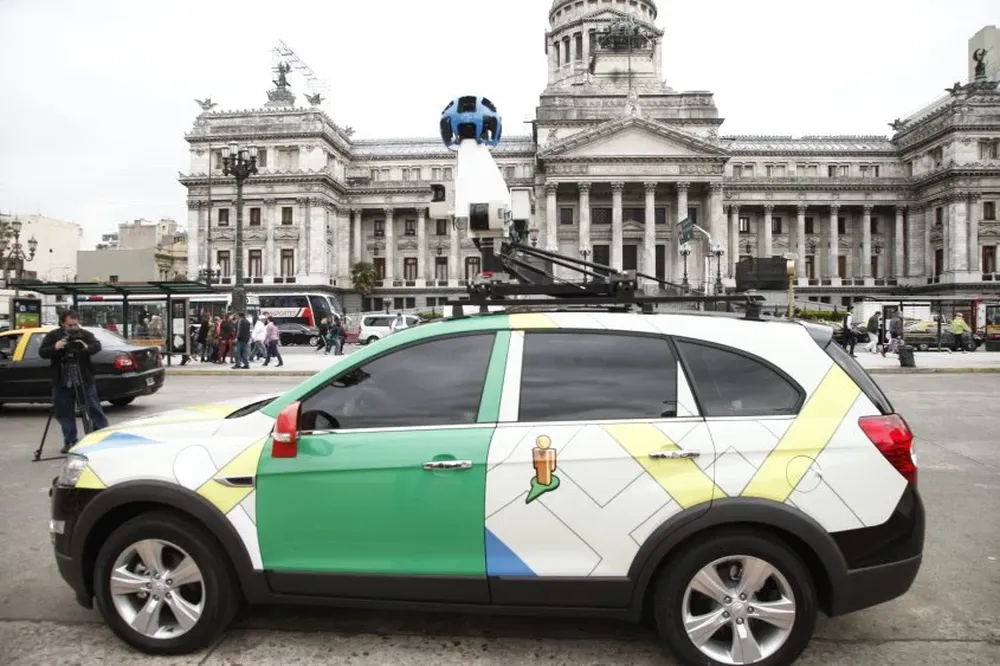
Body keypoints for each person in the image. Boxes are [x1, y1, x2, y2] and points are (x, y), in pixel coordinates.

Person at [38, 310, 110, 454]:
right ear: (62, 323)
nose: (73, 328)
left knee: (95, 410)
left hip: (84, 380)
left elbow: (97, 346)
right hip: (62, 382)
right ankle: (70, 441)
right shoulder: (53, 336)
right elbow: (42, 352)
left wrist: (85, 348)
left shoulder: (84, 335)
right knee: (64, 413)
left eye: (75, 325)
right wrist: (55, 347)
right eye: (69, 325)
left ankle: (102, 439)